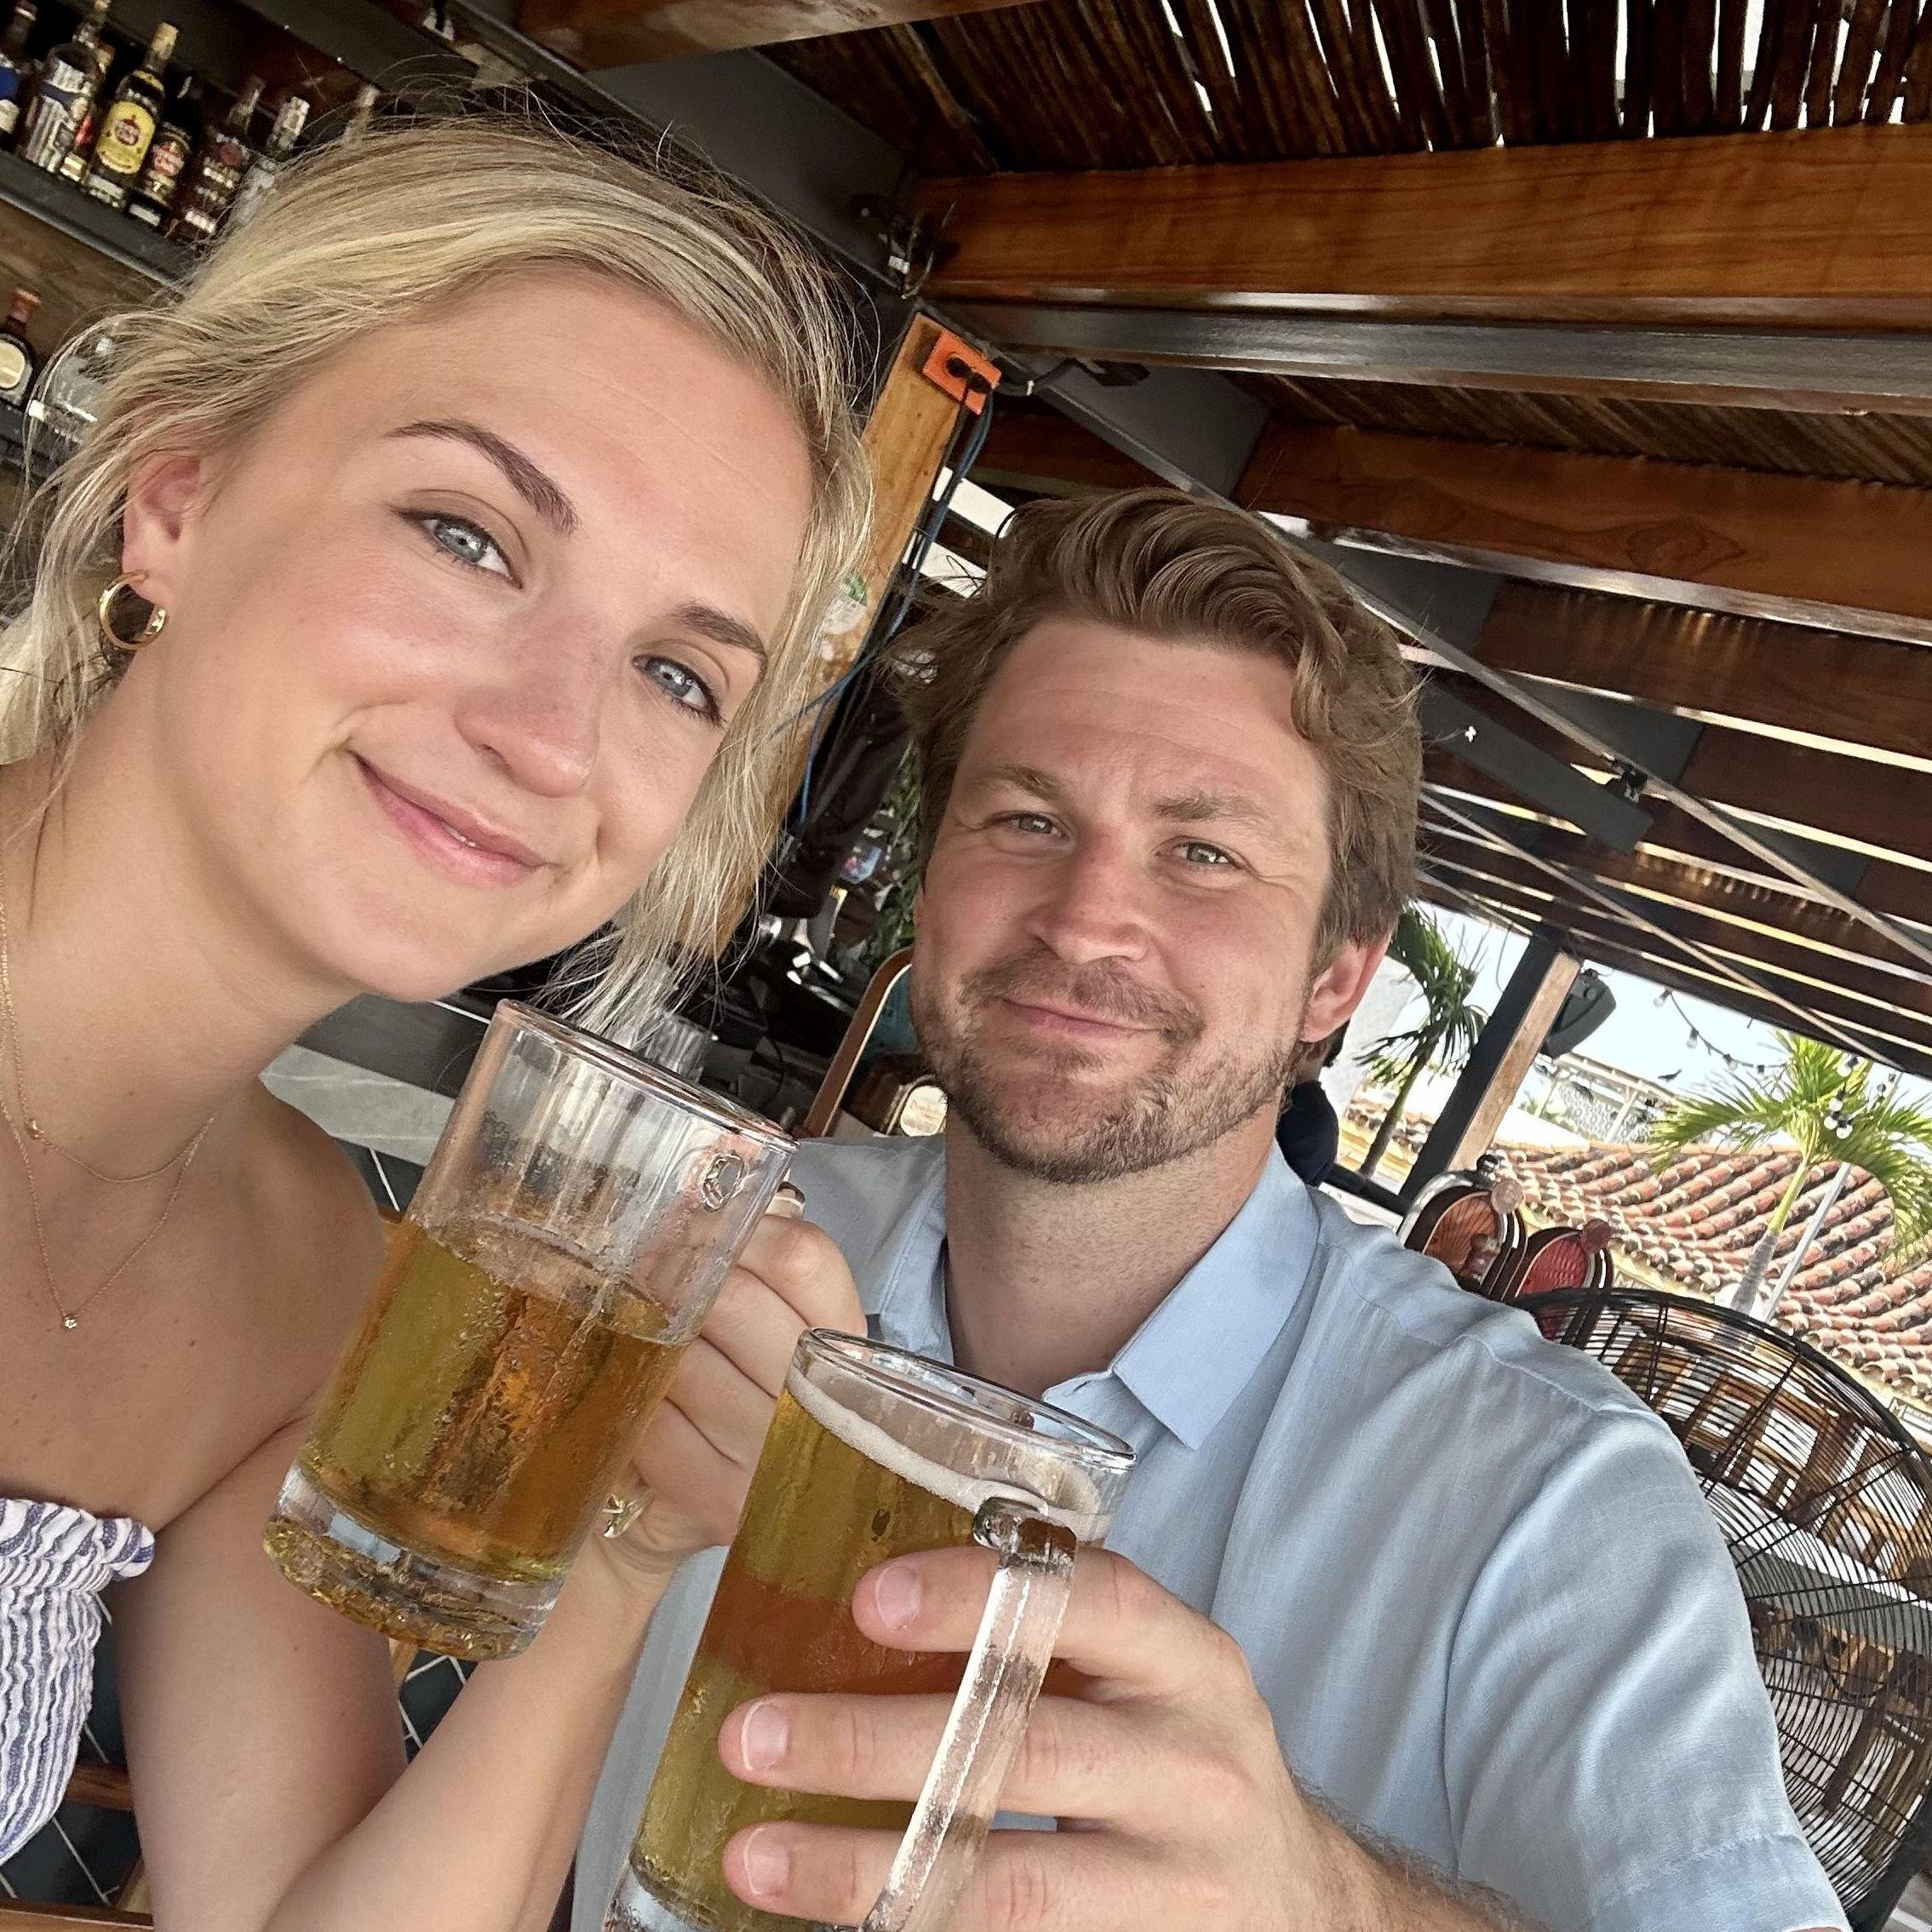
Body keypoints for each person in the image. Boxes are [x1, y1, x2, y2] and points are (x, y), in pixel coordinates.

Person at [578, 489, 1846, 1932]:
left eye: (1203, 852)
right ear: (928, 882)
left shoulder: (1546, 1497)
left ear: (1333, 982)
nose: (1083, 917)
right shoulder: (719, 1240)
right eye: (1026, 815)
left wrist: (1333, 1908)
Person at [0, 117, 871, 1928]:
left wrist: (621, 1554)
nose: (554, 738)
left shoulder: (309, 1277)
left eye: (673, 672)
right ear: (178, 495)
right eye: (466, 534)